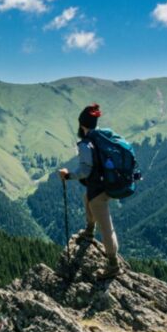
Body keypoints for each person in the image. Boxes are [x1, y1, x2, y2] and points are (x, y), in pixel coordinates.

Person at [58, 103, 121, 279]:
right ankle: (89, 230)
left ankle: (113, 264)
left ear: (82, 124)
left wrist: (68, 175)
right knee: (87, 197)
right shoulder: (102, 137)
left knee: (106, 227)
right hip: (107, 184)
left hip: (98, 191)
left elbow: (85, 170)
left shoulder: (87, 144)